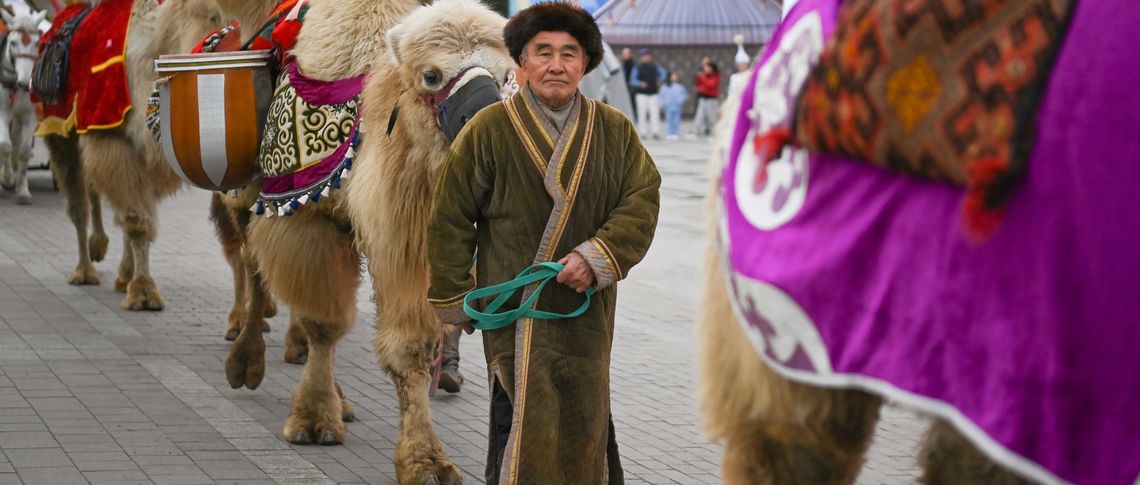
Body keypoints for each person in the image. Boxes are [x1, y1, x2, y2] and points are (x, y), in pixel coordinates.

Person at [425, 3, 661, 483]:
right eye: (543, 53)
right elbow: (450, 216)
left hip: (586, 311)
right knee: (512, 415)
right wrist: (453, 296)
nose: (556, 65)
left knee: (586, 414)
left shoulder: (613, 130)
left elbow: (642, 199)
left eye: (569, 54)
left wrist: (598, 257)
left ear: (586, 64)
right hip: (514, 312)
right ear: (522, 63)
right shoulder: (488, 130)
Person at [628, 48, 666, 139]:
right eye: (643, 56)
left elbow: (664, 73)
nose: (645, 58)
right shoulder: (637, 67)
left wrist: (660, 80)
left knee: (655, 113)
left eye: (647, 56)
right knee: (642, 114)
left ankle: (655, 132)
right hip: (641, 94)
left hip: (654, 94)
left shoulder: (655, 67)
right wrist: (640, 83)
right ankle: (643, 132)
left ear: (650, 57)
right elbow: (632, 80)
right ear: (641, 57)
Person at [692, 61, 720, 138]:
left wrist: (702, 77)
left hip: (712, 100)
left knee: (712, 118)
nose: (705, 69)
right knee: (699, 116)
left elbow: (710, 84)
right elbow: (697, 84)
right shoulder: (703, 75)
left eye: (707, 67)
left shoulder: (715, 76)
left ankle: (714, 133)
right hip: (702, 99)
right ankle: (695, 131)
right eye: (705, 67)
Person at [659, 71, 688, 140]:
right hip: (668, 106)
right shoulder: (665, 86)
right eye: (673, 75)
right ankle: (670, 133)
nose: (674, 77)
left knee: (676, 120)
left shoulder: (680, 87)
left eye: (675, 75)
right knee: (669, 120)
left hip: (677, 106)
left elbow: (684, 95)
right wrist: (662, 103)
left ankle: (675, 133)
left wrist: (680, 101)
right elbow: (661, 95)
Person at [620, 46, 636, 113]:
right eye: (623, 54)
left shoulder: (632, 65)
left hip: (630, 88)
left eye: (626, 54)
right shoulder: (621, 63)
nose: (624, 56)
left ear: (630, 55)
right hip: (623, 87)